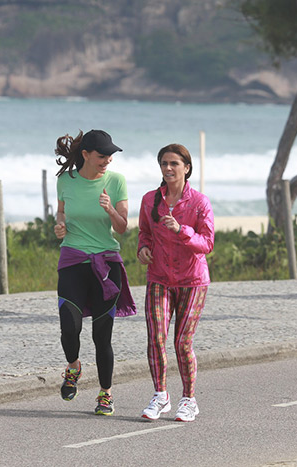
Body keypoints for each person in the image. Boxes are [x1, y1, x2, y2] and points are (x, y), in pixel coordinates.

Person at [53, 129, 136, 416]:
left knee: (102, 335)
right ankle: (74, 366)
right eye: (102, 156)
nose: (108, 161)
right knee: (69, 325)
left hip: (106, 263)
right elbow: (62, 213)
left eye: (110, 156)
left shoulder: (116, 181)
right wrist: (60, 225)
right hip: (73, 259)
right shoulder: (66, 181)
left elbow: (123, 226)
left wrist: (111, 209)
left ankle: (106, 394)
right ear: (86, 154)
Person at [137, 143, 214, 422]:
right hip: (159, 277)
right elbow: (144, 233)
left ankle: (188, 399)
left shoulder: (199, 203)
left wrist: (182, 230)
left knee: (182, 342)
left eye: (174, 164)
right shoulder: (149, 200)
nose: (168, 168)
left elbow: (207, 243)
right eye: (164, 164)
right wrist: (143, 249)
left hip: (192, 281)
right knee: (156, 338)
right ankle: (160, 395)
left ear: (187, 168)